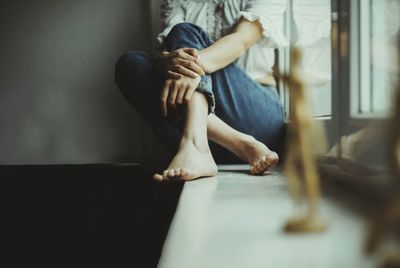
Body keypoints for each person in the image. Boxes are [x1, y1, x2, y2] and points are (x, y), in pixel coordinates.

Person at [115, 0, 287, 181]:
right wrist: (165, 62)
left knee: (184, 31)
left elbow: (240, 41)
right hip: (206, 136)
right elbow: (170, 52)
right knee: (130, 64)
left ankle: (195, 144)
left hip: (254, 116)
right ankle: (239, 144)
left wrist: (189, 70)